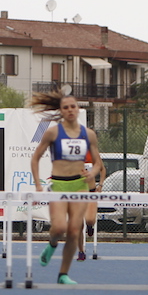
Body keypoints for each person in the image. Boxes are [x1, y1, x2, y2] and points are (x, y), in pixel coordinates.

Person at [29, 90, 105, 285]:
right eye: (66, 107)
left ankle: (63, 274)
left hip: (79, 185)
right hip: (59, 185)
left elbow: (98, 162)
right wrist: (38, 184)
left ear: (78, 109)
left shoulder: (88, 134)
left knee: (74, 230)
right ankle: (52, 243)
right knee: (59, 228)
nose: (70, 110)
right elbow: (35, 158)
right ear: (61, 111)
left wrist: (93, 173)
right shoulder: (53, 133)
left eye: (73, 106)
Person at [76, 150, 104, 261]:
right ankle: (81, 251)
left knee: (90, 220)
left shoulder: (93, 152)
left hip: (91, 191)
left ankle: (89, 226)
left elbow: (102, 169)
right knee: (78, 225)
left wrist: (100, 185)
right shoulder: (73, 153)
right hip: (78, 192)